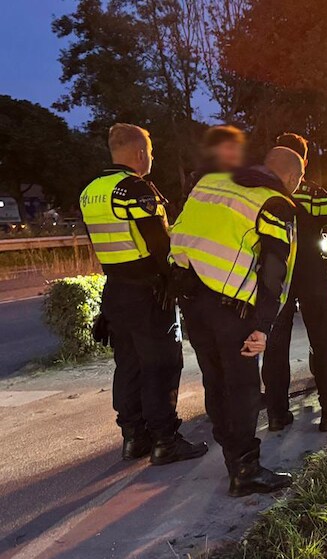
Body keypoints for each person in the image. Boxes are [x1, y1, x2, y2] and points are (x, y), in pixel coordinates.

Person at [170, 147, 303, 496]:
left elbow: (181, 231)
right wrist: (264, 325)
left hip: (191, 298)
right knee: (243, 388)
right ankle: (245, 470)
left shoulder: (211, 182)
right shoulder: (274, 203)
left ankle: (231, 453)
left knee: (215, 380)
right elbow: (275, 271)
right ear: (292, 177)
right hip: (232, 308)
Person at [79, 123, 208, 464]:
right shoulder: (135, 189)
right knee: (162, 363)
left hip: (116, 289)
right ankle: (165, 440)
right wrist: (179, 280)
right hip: (149, 292)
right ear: (139, 153)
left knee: (129, 364)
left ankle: (134, 437)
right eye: (150, 152)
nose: (152, 157)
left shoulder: (91, 191)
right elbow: (160, 245)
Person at [261, 133, 327, 433]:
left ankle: (277, 414)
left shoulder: (258, 193)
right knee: (323, 344)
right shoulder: (314, 194)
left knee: (275, 346)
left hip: (274, 278)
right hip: (311, 275)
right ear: (303, 161)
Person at [173, 125, 247, 221]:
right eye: (229, 147)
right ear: (212, 150)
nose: (235, 153)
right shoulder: (196, 180)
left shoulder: (245, 182)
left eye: (238, 148)